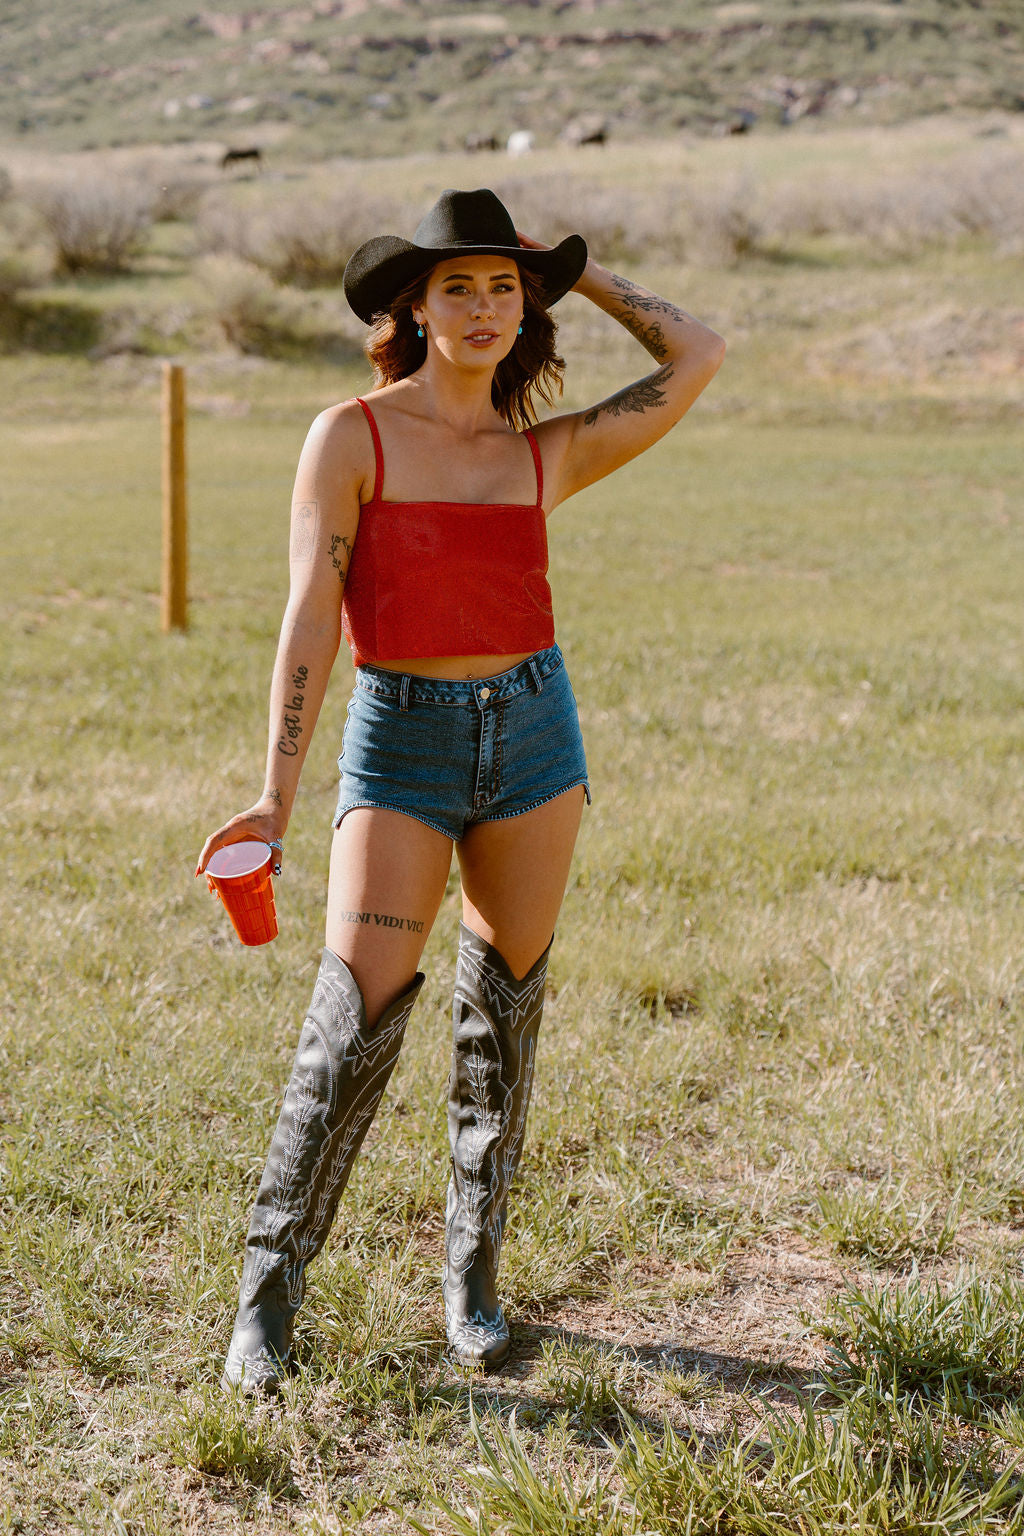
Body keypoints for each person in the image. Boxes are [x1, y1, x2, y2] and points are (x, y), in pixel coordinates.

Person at [196, 187, 725, 1393]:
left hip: (535, 737)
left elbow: (696, 352)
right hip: (402, 742)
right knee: (353, 1019)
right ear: (414, 308)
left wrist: (574, 271)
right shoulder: (352, 437)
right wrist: (275, 796)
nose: (484, 308)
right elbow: (310, 617)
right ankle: (267, 1296)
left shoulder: (544, 452)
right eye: (458, 287)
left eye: (503, 288)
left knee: (505, 1014)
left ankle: (471, 1279)